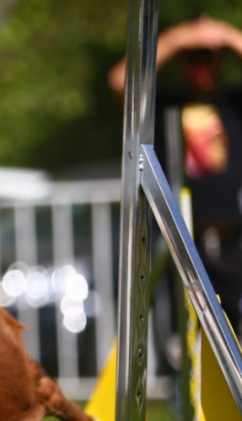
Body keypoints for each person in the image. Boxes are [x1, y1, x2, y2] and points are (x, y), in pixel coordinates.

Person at [110, 15, 242, 330]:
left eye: (207, 59)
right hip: (183, 244)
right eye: (191, 60)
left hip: (233, 242)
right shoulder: (166, 106)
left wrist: (224, 34)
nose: (200, 68)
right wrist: (179, 38)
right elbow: (120, 82)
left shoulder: (234, 104)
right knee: (187, 340)